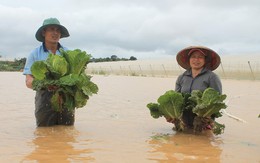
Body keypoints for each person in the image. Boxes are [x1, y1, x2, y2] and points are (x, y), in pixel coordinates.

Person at [23, 17, 74, 127]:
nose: (55, 33)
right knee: (44, 133)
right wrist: (46, 85)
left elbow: (75, 76)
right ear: (43, 32)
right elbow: (28, 81)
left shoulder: (68, 53)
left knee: (68, 131)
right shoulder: (34, 54)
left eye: (58, 30)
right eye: (51, 29)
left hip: (66, 98)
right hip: (44, 98)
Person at [172, 46, 222, 129]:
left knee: (204, 140)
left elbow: (217, 101)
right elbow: (176, 98)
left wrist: (207, 115)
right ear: (189, 59)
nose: (196, 60)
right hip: (183, 122)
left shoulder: (212, 77)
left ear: (205, 60)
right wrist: (173, 115)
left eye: (200, 57)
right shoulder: (182, 77)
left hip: (204, 122)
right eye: (193, 57)